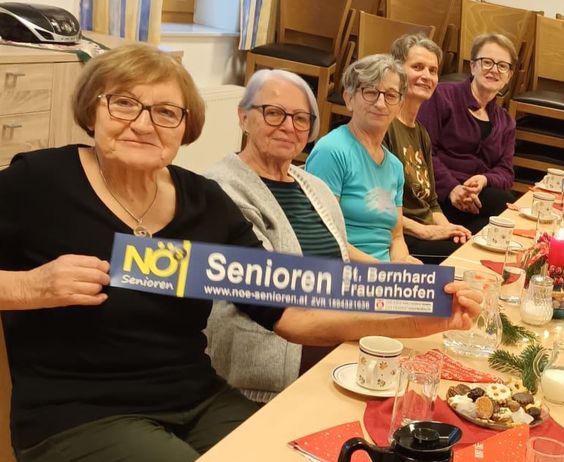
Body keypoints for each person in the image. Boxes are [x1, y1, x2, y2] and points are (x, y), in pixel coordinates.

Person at [0, 44, 480, 462]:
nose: (143, 124)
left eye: (166, 112)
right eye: (124, 103)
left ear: (186, 126)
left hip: (198, 399)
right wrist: (28, 286)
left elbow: (290, 313)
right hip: (81, 414)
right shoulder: (40, 182)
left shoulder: (204, 201)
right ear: (93, 109)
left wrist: (412, 321)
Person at [204, 69, 460, 403]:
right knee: (407, 394)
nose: (288, 126)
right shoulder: (223, 190)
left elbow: (343, 267)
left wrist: (414, 288)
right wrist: (398, 316)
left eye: (300, 119)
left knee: (437, 376)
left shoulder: (313, 187)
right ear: (243, 117)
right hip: (278, 361)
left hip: (337, 337)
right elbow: (283, 301)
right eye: (273, 113)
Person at [306, 54, 419, 263]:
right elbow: (321, 237)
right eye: (370, 92)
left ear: (400, 105)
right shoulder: (331, 151)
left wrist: (402, 264)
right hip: (343, 273)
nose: (380, 103)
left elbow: (396, 236)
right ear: (349, 99)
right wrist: (384, 272)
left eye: (391, 95)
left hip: (384, 275)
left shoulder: (394, 166)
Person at [416, 33, 518, 234]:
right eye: (487, 62)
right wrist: (453, 188)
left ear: (509, 76)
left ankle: (464, 238)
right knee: (504, 205)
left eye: (502, 66)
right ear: (472, 66)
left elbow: (506, 172)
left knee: (506, 215)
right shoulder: (442, 96)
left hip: (476, 199)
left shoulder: (506, 121)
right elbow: (424, 151)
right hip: (441, 195)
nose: (494, 70)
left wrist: (484, 179)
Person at [384, 33, 471, 264]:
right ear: (397, 70)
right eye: (418, 67)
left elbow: (431, 201)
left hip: (425, 230)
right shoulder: (385, 127)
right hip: (400, 236)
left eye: (432, 71)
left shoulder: (421, 132)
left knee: (469, 247)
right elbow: (376, 206)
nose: (426, 76)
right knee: (464, 262)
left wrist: (450, 229)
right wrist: (426, 232)